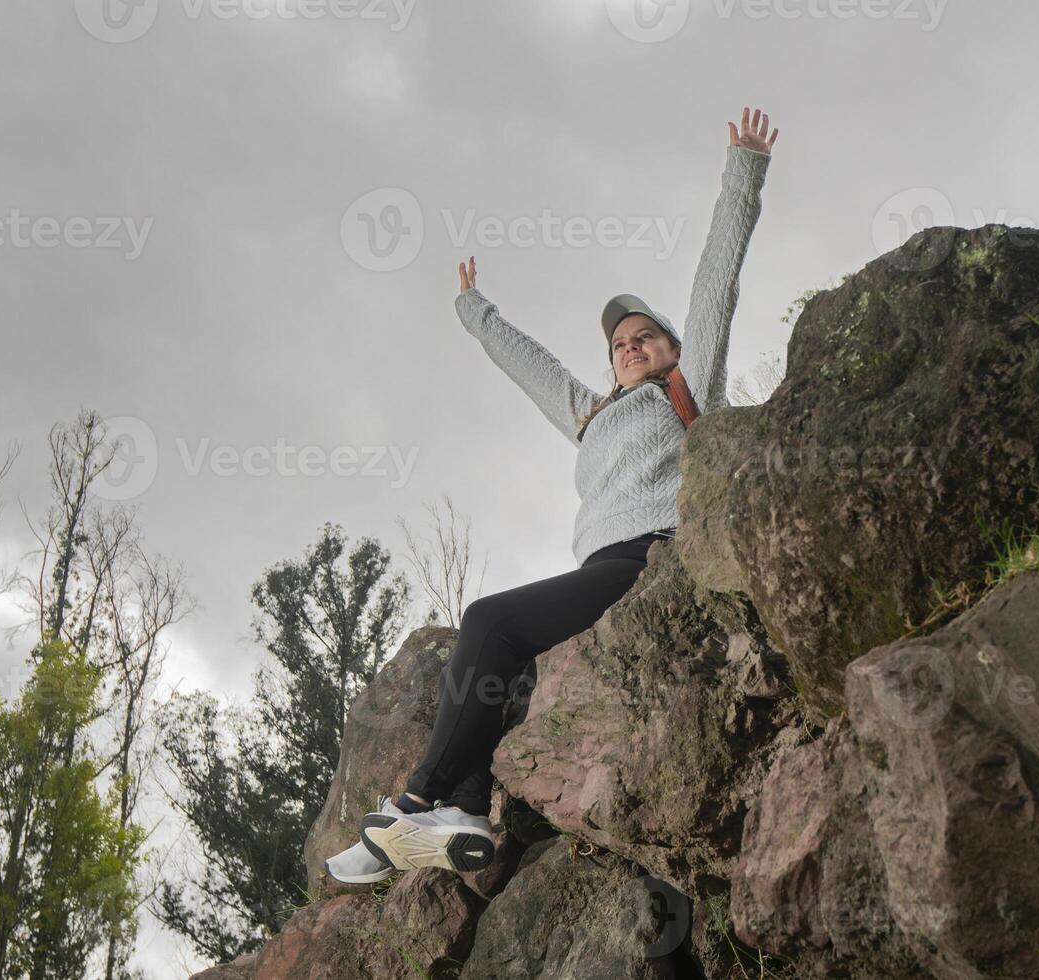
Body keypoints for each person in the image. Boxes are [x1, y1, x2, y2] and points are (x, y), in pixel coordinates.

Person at [325, 107, 779, 884]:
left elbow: (715, 283)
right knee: (496, 667)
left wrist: (741, 171)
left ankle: (416, 805)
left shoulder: (685, 387)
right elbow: (529, 366)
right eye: (619, 346)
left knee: (488, 620)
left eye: (645, 338)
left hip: (653, 555)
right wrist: (474, 312)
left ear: (671, 351)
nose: (630, 347)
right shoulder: (594, 415)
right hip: (600, 565)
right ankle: (461, 811)